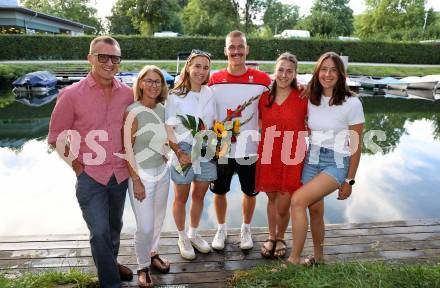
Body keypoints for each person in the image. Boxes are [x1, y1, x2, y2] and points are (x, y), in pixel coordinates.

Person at [48, 36, 134, 287]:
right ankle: (110, 282)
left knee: (114, 229)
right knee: (99, 233)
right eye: (103, 57)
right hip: (90, 176)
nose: (109, 62)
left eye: (115, 58)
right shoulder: (71, 94)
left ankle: (112, 264)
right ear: (90, 59)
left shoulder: (128, 95)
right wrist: (77, 166)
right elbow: (56, 137)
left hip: (119, 174)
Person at [287, 52, 364, 265]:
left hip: (337, 162)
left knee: (297, 201)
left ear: (341, 74)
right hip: (312, 157)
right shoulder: (311, 97)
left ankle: (293, 260)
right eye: (323, 69)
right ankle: (319, 258)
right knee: (315, 209)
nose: (327, 74)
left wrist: (349, 180)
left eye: (333, 70)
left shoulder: (352, 103)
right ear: (317, 72)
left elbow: (356, 146)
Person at [209, 30, 271, 250]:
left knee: (249, 192)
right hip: (222, 146)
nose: (236, 51)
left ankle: (246, 228)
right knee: (219, 191)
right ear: (225, 51)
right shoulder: (213, 79)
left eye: (240, 46)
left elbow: (281, 96)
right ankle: (221, 228)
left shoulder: (263, 80)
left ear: (247, 49)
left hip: (250, 147)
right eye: (232, 47)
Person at [165, 50, 216, 260]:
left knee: (199, 195)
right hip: (182, 150)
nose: (201, 71)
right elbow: (168, 128)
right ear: (188, 67)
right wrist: (178, 152)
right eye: (197, 66)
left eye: (205, 67)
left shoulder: (209, 93)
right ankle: (181, 236)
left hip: (206, 149)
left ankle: (193, 233)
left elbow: (212, 124)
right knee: (181, 197)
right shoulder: (175, 95)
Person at [256, 52, 307, 258]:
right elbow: (258, 122)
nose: (284, 75)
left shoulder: (303, 96)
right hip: (268, 152)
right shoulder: (264, 97)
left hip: (292, 154)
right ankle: (271, 236)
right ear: (274, 71)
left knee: (285, 202)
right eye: (281, 70)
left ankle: (281, 236)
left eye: (289, 71)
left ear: (295, 74)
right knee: (271, 198)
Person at [124, 65, 171, 287]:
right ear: (141, 83)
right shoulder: (132, 111)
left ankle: (152, 253)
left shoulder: (162, 108)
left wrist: (170, 152)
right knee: (144, 226)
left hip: (162, 172)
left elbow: (163, 136)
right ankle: (142, 266)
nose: (153, 85)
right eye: (149, 81)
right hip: (141, 174)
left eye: (158, 82)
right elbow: (127, 149)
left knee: (159, 218)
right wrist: (136, 181)